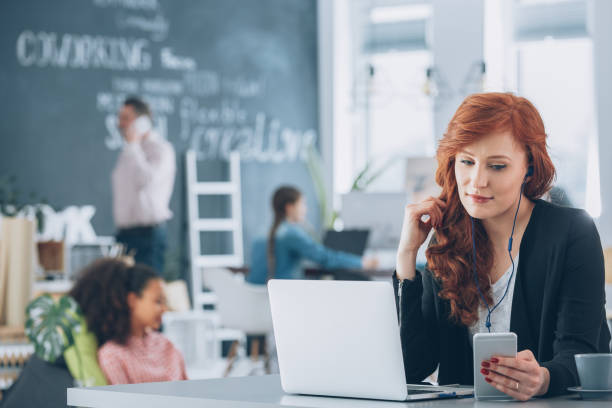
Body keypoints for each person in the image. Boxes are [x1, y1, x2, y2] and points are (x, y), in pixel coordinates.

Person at [394, 92, 610, 400]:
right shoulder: (448, 237)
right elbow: (414, 366)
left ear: (530, 168)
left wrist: (545, 379)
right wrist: (406, 257)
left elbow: (582, 354)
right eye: (467, 161)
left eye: (497, 166)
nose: (477, 181)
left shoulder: (571, 232)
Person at [69, 258, 187, 384]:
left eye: (165, 302)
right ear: (132, 300)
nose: (164, 309)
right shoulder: (113, 356)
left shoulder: (166, 345)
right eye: (158, 301)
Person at [247, 186, 378, 284]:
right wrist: (360, 262)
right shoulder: (290, 234)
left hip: (257, 302)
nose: (306, 209)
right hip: (284, 302)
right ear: (290, 207)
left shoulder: (260, 233)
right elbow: (325, 258)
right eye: (302, 203)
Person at [112, 96, 176, 274]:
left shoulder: (161, 150)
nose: (120, 124)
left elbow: (146, 179)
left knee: (146, 291)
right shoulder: (128, 152)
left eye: (126, 118)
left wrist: (133, 145)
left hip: (148, 236)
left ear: (142, 122)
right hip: (125, 235)